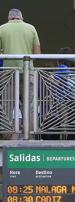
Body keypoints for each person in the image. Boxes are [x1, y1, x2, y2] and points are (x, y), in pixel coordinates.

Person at [0, 9, 41, 138]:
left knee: (7, 104)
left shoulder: (2, 28)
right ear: (21, 18)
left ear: (9, 18)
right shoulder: (31, 28)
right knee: (30, 105)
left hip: (9, 73)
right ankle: (30, 136)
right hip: (28, 70)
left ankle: (6, 137)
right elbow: (37, 53)